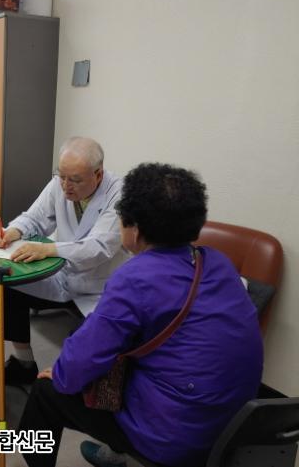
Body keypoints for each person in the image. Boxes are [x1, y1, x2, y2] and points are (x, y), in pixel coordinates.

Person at [17, 163, 264, 467]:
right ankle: (115, 455)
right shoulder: (217, 262)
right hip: (235, 424)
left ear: (134, 229)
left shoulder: (135, 278)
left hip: (174, 438)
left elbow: (79, 364)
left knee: (46, 391)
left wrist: (61, 373)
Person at [0, 137, 129, 385]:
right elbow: (35, 217)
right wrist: (13, 232)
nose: (65, 185)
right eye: (61, 176)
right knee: (9, 285)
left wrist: (48, 249)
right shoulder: (60, 183)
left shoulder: (119, 194)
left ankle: (66, 383)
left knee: (86, 345)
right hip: (63, 277)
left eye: (74, 180)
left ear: (98, 174)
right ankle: (23, 364)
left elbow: (99, 247)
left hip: (100, 290)